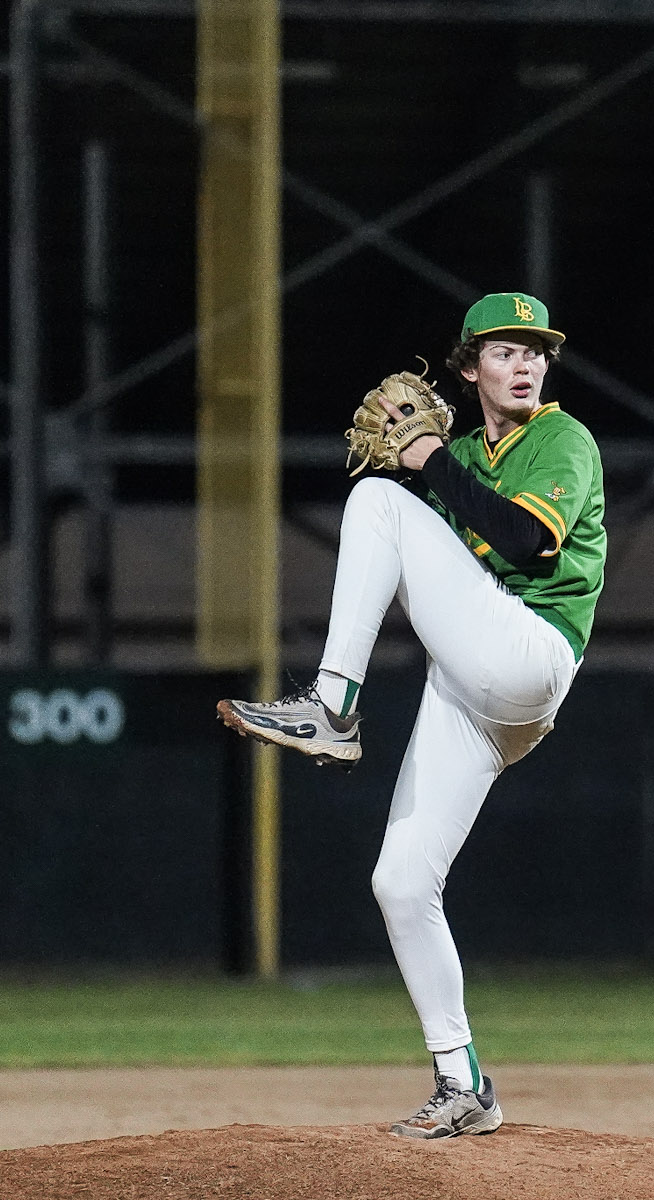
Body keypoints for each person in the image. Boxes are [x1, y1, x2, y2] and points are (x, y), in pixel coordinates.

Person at [218, 291, 607, 1140]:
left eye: (535, 351)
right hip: (473, 691)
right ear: (468, 369)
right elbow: (413, 557)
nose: (525, 364)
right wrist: (426, 462)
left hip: (530, 653)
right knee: (400, 882)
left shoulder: (562, 440)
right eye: (503, 351)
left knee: (378, 505)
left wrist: (422, 460)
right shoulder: (463, 454)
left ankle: (332, 706)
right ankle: (463, 1084)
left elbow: (525, 540)